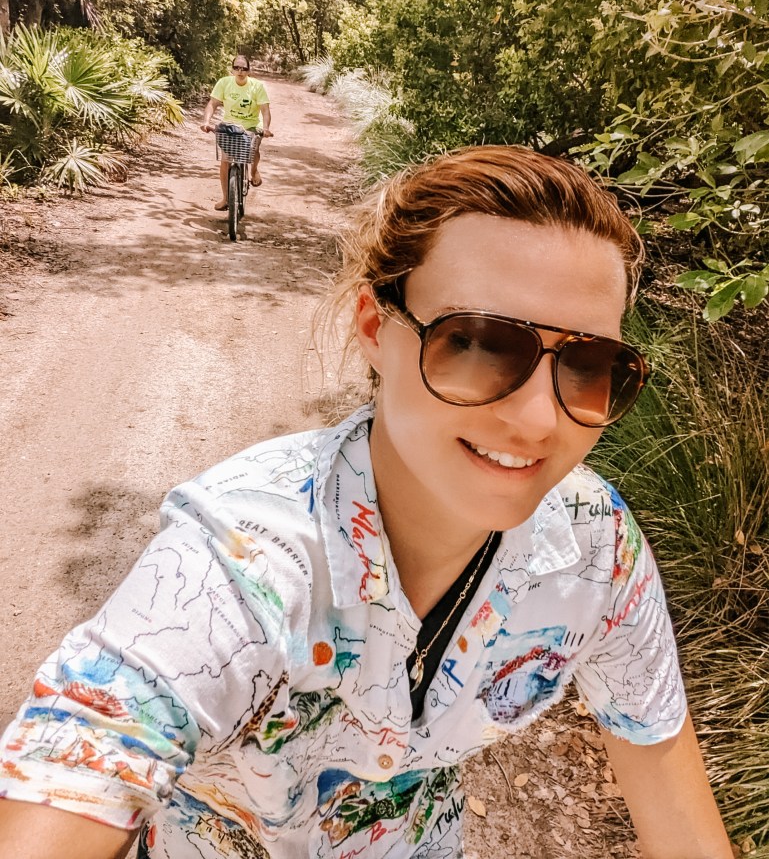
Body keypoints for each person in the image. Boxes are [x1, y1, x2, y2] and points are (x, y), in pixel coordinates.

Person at [0, 146, 733, 859]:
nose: (539, 419)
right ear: (375, 329)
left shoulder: (593, 545)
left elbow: (669, 788)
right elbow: (85, 750)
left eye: (588, 364)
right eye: (476, 343)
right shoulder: (243, 561)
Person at [200, 54, 273, 211]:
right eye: (236, 68)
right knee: (225, 159)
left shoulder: (257, 86)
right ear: (232, 69)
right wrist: (206, 122)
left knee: (253, 149)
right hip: (230, 125)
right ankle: (226, 199)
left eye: (244, 68)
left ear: (249, 70)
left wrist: (266, 128)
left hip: (251, 125)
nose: (240, 71)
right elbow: (212, 103)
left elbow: (265, 110)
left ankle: (253, 172)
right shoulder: (224, 83)